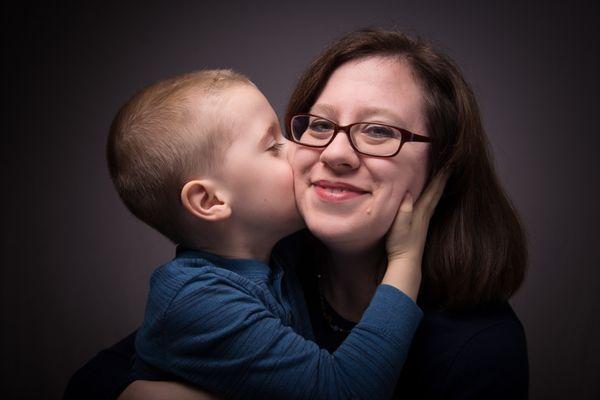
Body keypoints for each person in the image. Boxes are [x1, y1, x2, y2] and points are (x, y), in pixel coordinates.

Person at [65, 28, 528, 400]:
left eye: (379, 130)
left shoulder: (479, 347)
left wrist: (406, 262)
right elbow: (94, 378)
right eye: (320, 125)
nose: (336, 153)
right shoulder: (274, 261)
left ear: (442, 164)